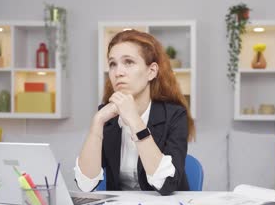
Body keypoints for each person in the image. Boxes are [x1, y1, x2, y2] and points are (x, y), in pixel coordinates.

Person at [74, 30, 195, 196]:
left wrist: (134, 120)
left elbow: (167, 185)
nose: (118, 72)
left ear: (151, 71)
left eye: (128, 62)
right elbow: (86, 184)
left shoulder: (174, 115)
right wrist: (97, 123)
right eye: (112, 64)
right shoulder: (106, 115)